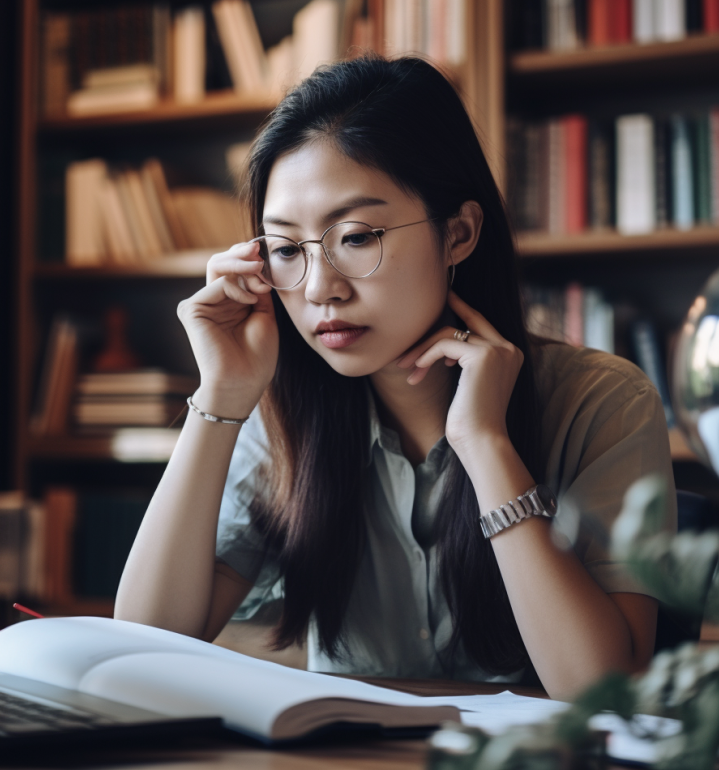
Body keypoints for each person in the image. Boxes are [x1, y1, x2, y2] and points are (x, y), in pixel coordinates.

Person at [115, 55, 676, 701]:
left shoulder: (602, 402)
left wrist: (485, 446)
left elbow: (602, 695)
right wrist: (221, 396)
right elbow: (141, 650)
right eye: (288, 250)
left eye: (356, 237)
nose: (322, 289)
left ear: (458, 233)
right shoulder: (279, 416)